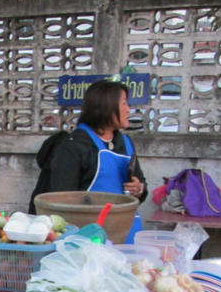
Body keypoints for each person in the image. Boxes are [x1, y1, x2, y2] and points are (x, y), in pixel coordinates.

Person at [30, 79, 147, 241]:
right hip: (89, 236)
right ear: (106, 106)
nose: (129, 109)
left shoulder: (126, 143)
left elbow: (140, 182)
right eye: (124, 103)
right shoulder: (75, 146)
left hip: (126, 232)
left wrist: (139, 188)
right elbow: (61, 201)